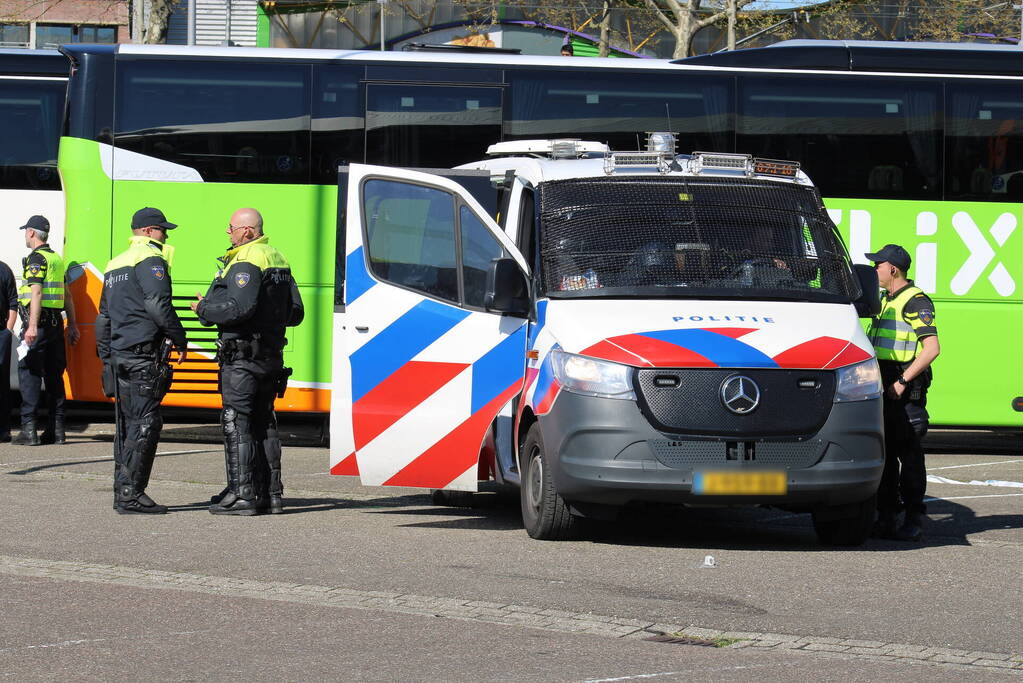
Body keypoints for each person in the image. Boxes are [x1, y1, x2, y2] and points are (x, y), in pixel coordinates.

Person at [192, 208, 303, 516]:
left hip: (242, 358)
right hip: (271, 355)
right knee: (264, 422)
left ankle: (243, 495)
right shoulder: (278, 258)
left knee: (236, 421)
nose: (228, 233)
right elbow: (296, 312)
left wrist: (203, 309)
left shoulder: (247, 259)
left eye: (231, 228)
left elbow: (237, 309)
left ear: (247, 231)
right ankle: (271, 495)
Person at [95, 208, 187, 514]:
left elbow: (103, 317)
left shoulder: (114, 264)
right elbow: (158, 304)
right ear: (148, 231)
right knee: (146, 422)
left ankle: (122, 489)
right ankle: (131, 494)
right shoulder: (151, 259)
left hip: (120, 355)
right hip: (143, 355)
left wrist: (106, 357)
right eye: (162, 229)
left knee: (126, 424)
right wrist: (180, 338)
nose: (166, 235)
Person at [865, 243, 940, 542]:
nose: (875, 270)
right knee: (884, 456)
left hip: (903, 387)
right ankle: (886, 517)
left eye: (878, 265)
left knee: (909, 456)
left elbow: (932, 349)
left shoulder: (915, 301)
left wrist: (902, 381)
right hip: (883, 382)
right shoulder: (886, 299)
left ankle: (913, 519)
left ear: (893, 269)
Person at [14, 215, 79, 446]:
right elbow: (68, 296)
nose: (25, 235)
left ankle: (29, 431)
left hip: (38, 326)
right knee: (54, 377)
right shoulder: (56, 259)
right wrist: (73, 325)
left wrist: (31, 326)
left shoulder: (36, 258)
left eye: (26, 231)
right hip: (55, 327)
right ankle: (57, 430)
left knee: (29, 374)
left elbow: (36, 293)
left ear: (31, 232)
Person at [0, 257, 16, 442]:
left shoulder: (3, 270)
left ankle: (3, 430)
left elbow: (13, 302)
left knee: (2, 383)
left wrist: (8, 330)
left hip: (0, 334)